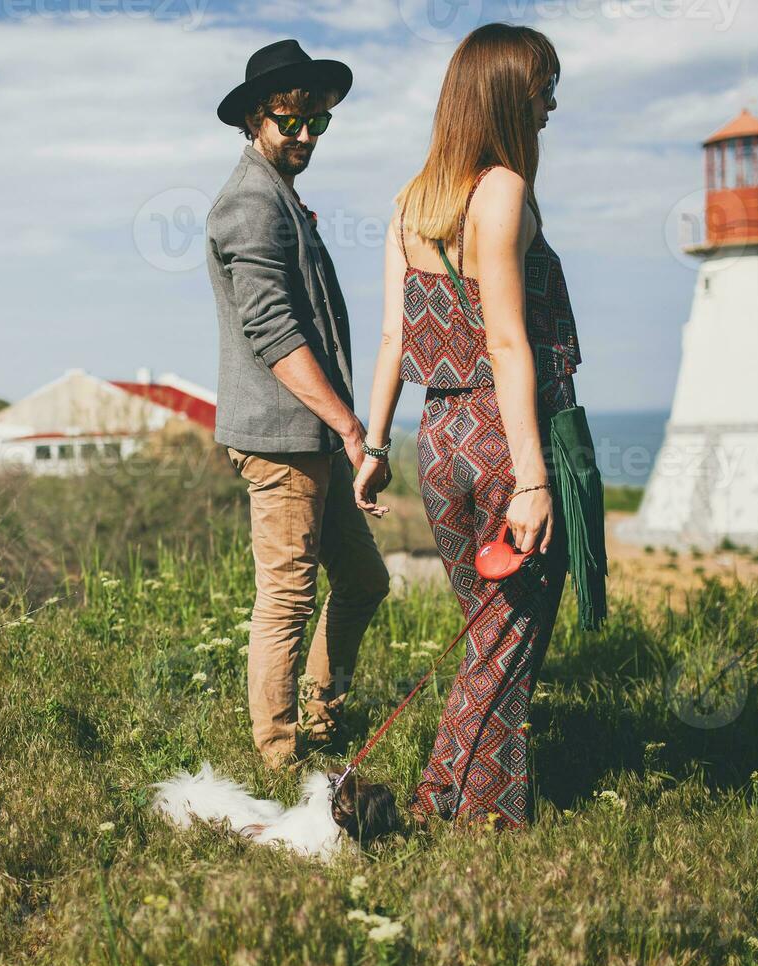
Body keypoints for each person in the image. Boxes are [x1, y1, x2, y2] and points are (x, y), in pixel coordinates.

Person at [354, 23, 583, 829]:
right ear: (503, 95)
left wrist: (374, 448)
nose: (551, 103)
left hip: (437, 439)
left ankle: (486, 816)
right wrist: (532, 477)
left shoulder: (410, 203)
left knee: (490, 634)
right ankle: (430, 805)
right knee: (504, 639)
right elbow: (510, 342)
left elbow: (391, 338)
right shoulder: (503, 192)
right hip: (501, 434)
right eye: (541, 88)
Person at [207, 39, 391, 770]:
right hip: (286, 441)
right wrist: (353, 427)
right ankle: (280, 761)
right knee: (286, 599)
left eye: (318, 121)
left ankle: (321, 714)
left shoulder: (277, 194)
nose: (308, 135)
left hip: (313, 436)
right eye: (292, 121)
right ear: (256, 117)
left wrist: (341, 430)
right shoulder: (250, 203)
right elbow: (273, 330)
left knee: (366, 582)